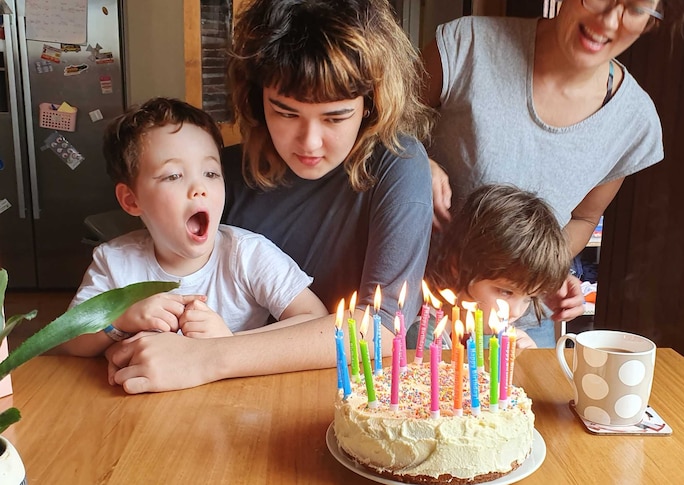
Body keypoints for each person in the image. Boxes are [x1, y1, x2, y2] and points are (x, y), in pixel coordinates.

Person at [103, 0, 434, 393]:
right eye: (286, 112)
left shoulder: (399, 167)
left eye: (335, 117)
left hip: (360, 391)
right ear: (257, 99)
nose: (309, 142)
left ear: (370, 106)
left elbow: (378, 327)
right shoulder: (216, 175)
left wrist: (209, 357)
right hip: (235, 395)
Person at [421, 0, 684, 329]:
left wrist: (547, 268)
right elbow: (382, 125)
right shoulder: (467, 44)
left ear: (650, 23)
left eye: (634, 7)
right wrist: (416, 161)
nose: (608, 21)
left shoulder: (634, 121)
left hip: (520, 324)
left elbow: (584, 217)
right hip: (420, 314)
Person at [60, 97, 328, 358]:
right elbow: (69, 341)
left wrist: (228, 344)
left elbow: (315, 319)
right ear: (131, 200)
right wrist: (120, 321)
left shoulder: (247, 255)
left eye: (210, 173)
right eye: (174, 175)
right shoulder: (114, 261)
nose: (199, 188)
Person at [407, 184, 571, 349]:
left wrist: (522, 363)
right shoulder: (425, 336)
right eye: (506, 292)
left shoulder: (490, 330)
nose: (515, 312)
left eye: (528, 298)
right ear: (458, 267)